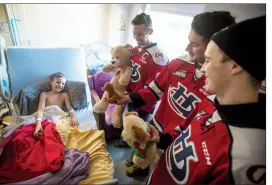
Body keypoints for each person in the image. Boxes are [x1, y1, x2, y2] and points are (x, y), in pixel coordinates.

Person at [113, 11, 236, 176]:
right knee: (145, 156)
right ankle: (142, 166)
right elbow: (154, 89)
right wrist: (126, 98)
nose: (187, 49)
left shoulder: (224, 88)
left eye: (195, 44)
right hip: (156, 127)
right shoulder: (179, 62)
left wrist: (165, 141)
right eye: (188, 41)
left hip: (182, 144)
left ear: (216, 47)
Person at [147, 15, 266, 184]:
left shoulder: (248, 156)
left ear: (235, 65)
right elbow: (183, 133)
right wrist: (160, 139)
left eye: (208, 60)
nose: (202, 68)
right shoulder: (211, 101)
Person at [114, 12, 169, 176]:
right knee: (129, 122)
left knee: (140, 132)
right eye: (134, 34)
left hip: (144, 102)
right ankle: (127, 140)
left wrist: (138, 97)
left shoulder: (159, 57)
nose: (137, 37)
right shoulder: (136, 49)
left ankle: (139, 159)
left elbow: (158, 86)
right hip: (130, 96)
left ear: (150, 31)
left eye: (140, 34)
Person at [33, 72, 78, 138]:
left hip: (58, 117)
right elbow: (40, 110)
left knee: (63, 131)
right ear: (51, 82)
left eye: (63, 84)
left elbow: (69, 108)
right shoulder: (44, 94)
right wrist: (38, 123)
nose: (60, 85)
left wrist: (73, 118)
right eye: (58, 82)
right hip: (46, 117)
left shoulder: (64, 95)